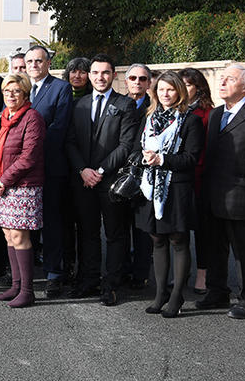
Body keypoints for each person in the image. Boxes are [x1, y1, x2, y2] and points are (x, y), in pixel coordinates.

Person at [65, 54, 139, 306]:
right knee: (87, 233)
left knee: (115, 235)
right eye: (95, 73)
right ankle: (89, 280)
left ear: (113, 75)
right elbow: (70, 141)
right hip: (83, 180)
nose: (100, 77)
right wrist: (82, 170)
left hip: (110, 182)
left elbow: (126, 145)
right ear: (89, 76)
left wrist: (100, 171)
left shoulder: (125, 105)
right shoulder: (80, 104)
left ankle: (111, 285)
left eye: (105, 73)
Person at [131, 72, 203, 318]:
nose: (165, 94)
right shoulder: (149, 117)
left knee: (177, 241)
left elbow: (191, 158)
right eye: (161, 89)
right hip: (150, 187)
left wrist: (162, 159)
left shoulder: (189, 121)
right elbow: (135, 148)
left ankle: (176, 295)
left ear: (179, 92)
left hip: (177, 188)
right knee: (157, 240)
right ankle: (160, 294)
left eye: (170, 89)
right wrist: (143, 157)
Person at [196, 64, 245, 320]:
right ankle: (217, 291)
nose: (222, 82)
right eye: (221, 78)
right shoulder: (215, 115)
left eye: (229, 79)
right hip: (214, 196)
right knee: (215, 247)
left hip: (243, 197)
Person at [0, 73, 46, 308]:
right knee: (8, 235)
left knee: (20, 236)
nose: (11, 95)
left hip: (23, 186)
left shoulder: (32, 118)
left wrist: (4, 180)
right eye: (7, 91)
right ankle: (16, 285)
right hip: (2, 186)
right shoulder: (0, 117)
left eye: (16, 91)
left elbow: (29, 156)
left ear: (25, 94)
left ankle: (27, 291)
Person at [24, 45, 73, 298]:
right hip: (24, 169)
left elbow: (59, 127)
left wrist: (29, 150)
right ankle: (27, 273)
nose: (34, 65)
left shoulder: (60, 88)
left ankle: (54, 273)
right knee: (25, 221)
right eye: (29, 61)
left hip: (50, 165)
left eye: (38, 61)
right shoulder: (21, 88)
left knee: (51, 222)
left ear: (48, 63)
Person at [179, 67, 213, 294]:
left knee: (202, 231)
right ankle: (181, 274)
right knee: (178, 230)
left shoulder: (208, 113)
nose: (183, 89)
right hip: (179, 178)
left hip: (200, 179)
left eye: (188, 85)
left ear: (199, 88)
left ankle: (202, 275)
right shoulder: (173, 111)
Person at [124, 63, 155, 289]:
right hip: (119, 174)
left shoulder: (155, 107)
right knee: (119, 227)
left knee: (143, 229)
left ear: (149, 83)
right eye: (133, 78)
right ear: (126, 81)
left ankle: (141, 274)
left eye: (142, 79)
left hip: (145, 175)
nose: (137, 82)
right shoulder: (118, 103)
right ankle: (123, 270)